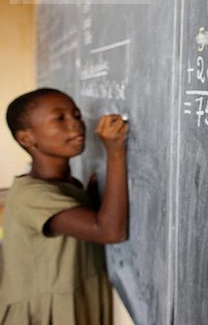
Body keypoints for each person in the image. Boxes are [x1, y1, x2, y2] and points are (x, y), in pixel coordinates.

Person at [0, 88, 129, 325]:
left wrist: (89, 200)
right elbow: (110, 231)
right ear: (26, 138)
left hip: (74, 301)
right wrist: (115, 152)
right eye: (60, 118)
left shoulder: (66, 185)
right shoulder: (32, 196)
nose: (76, 125)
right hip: (46, 315)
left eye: (77, 115)